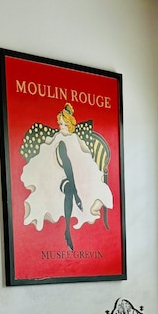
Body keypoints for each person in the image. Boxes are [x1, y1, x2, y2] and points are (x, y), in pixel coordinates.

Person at [20, 103, 113, 250]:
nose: (61, 127)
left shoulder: (75, 139)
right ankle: (69, 224)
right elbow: (63, 162)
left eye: (64, 124)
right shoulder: (58, 139)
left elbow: (84, 158)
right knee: (69, 187)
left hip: (78, 176)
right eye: (60, 124)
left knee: (72, 186)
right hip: (55, 175)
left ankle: (68, 229)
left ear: (70, 125)